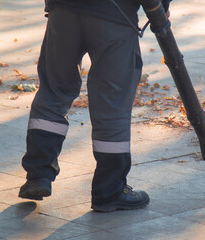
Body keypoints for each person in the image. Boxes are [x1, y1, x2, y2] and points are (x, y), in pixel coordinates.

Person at [18, 0, 170, 212]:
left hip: (63, 11)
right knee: (112, 103)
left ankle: (39, 175)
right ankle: (109, 191)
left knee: (54, 90)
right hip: (114, 15)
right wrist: (161, 7)